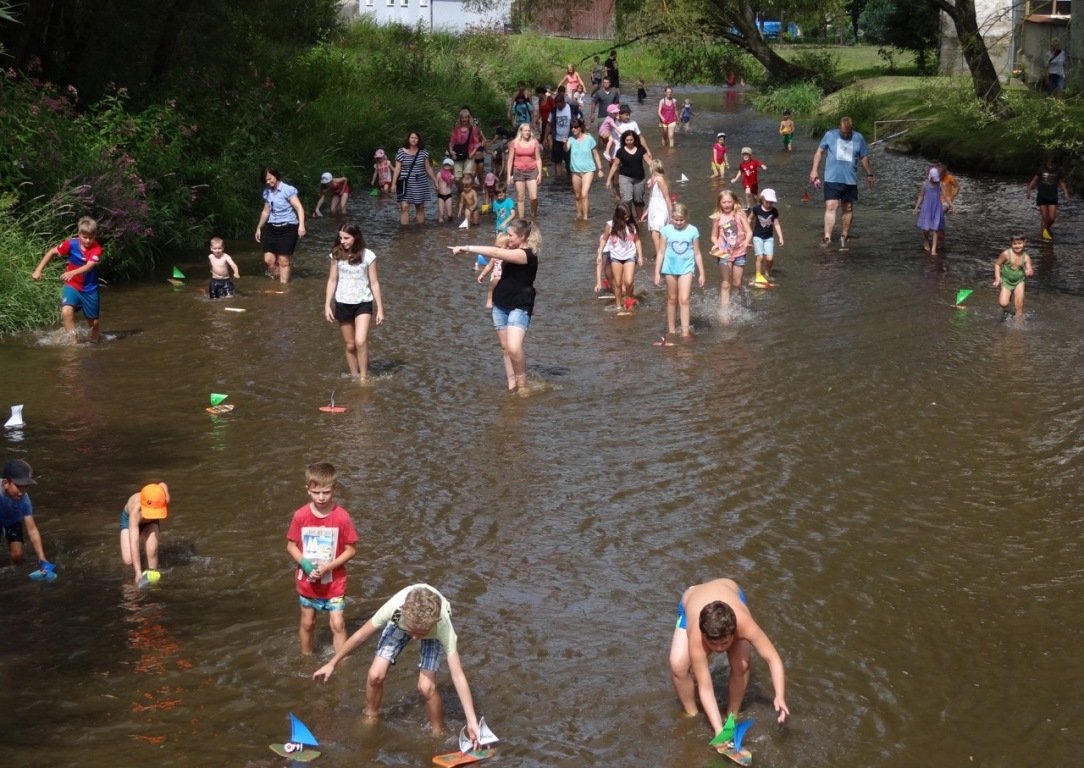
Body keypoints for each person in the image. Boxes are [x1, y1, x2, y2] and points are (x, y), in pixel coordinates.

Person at [312, 584, 482, 743]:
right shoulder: (395, 609)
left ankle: (438, 732)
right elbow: (361, 635)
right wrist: (332, 663)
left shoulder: (443, 626)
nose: (414, 638)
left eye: (419, 633)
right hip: (402, 624)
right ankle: (371, 715)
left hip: (432, 632)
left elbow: (457, 675)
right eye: (412, 632)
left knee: (426, 687)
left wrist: (471, 720)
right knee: (375, 674)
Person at [669, 578, 789, 741]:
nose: (719, 649)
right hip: (691, 601)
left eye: (724, 643)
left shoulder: (744, 625)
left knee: (742, 665)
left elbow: (773, 658)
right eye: (713, 644)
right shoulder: (697, 636)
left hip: (730, 591)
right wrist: (718, 731)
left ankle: (731, 716)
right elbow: (706, 688)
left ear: (734, 632)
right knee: (678, 666)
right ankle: (691, 714)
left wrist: (779, 695)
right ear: (704, 635)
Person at [448, 218, 540, 394]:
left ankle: (522, 384)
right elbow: (495, 255)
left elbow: (494, 252)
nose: (508, 237)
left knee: (514, 347)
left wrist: (466, 248)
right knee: (506, 349)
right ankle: (511, 384)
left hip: (519, 306)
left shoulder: (525, 255)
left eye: (511, 235)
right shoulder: (511, 248)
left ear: (522, 236)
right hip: (500, 305)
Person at [287, 462, 358, 655]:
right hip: (308, 581)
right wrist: (305, 564)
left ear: (334, 489)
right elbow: (291, 545)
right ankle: (306, 657)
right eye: (316, 492)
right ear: (308, 489)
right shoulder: (301, 516)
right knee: (308, 622)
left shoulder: (342, 517)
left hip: (334, 582)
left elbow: (351, 550)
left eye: (326, 492)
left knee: (338, 624)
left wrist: (329, 567)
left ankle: (340, 663)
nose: (321, 497)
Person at [324, 223, 384, 383]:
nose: (343, 241)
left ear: (356, 237)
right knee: (350, 345)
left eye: (346, 238)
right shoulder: (336, 255)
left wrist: (380, 309)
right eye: (341, 238)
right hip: (342, 303)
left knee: (360, 341)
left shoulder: (368, 256)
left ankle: (364, 378)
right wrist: (327, 304)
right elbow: (332, 280)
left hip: (363, 303)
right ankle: (354, 376)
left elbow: (374, 283)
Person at [32, 216, 103, 343]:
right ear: (79, 234)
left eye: (91, 238)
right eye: (85, 237)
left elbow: (88, 266)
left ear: (95, 236)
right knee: (66, 311)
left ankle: (95, 342)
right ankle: (73, 342)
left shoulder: (97, 249)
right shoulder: (71, 244)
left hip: (89, 288)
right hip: (72, 285)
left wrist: (73, 272)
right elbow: (52, 252)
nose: (88, 241)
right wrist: (38, 270)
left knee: (94, 324)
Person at [809, 116, 874, 249]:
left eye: (847, 133)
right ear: (839, 127)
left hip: (850, 179)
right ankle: (827, 237)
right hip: (832, 178)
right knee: (831, 206)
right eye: (843, 132)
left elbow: (863, 157)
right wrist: (814, 170)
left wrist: (869, 173)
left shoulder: (858, 138)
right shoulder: (830, 135)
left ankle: (844, 235)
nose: (845, 135)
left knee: (848, 208)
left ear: (852, 129)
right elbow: (819, 152)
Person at [654, 202, 704, 341]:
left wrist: (702, 273)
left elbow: (697, 253)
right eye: (676, 219)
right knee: (672, 299)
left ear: (686, 218)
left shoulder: (693, 231)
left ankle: (685, 331)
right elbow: (661, 252)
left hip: (686, 268)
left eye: (681, 220)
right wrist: (657, 272)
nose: (678, 222)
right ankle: (671, 330)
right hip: (670, 268)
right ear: (671, 218)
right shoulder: (666, 231)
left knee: (684, 299)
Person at [1, 460, 52, 576]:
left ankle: (14, 575)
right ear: (5, 483)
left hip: (11, 522)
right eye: (19, 487)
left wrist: (42, 558)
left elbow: (32, 531)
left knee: (17, 555)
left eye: (26, 487)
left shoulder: (24, 500)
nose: (22, 492)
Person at [255, 167, 306, 284]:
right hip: (272, 227)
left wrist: (301, 225)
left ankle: (283, 287)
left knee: (283, 260)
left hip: (288, 227)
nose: (268, 182)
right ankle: (279, 278)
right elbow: (265, 211)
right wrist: (259, 227)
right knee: (268, 259)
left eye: (270, 179)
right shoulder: (267, 192)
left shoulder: (287, 190)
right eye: (266, 180)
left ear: (276, 175)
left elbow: (299, 207)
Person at [710, 189, 752, 320]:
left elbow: (749, 232)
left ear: (734, 201)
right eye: (724, 202)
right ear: (719, 203)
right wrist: (716, 244)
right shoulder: (717, 217)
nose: (727, 204)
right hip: (724, 252)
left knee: (737, 283)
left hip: (739, 251)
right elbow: (713, 236)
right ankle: (724, 312)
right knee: (725, 283)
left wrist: (746, 242)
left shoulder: (740, 215)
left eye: (729, 202)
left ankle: (739, 303)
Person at [595, 204, 643, 315]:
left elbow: (637, 241)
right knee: (617, 283)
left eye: (628, 216)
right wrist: (599, 254)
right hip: (616, 257)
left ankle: (629, 299)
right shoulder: (610, 225)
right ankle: (618, 305)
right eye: (625, 217)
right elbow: (603, 240)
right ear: (619, 216)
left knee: (629, 281)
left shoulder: (631, 225)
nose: (627, 218)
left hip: (630, 256)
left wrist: (640, 256)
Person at [120, 482, 169, 586]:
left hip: (150, 523)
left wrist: (164, 489)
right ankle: (140, 562)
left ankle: (153, 578)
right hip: (129, 520)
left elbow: (162, 485)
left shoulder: (162, 498)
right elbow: (134, 542)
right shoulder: (136, 511)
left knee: (152, 548)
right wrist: (137, 571)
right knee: (129, 560)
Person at [392, 130, 438, 226]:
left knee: (420, 207)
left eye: (416, 138)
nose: (414, 139)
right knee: (404, 207)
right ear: (408, 139)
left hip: (420, 181)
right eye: (412, 137)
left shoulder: (423, 153)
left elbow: (428, 168)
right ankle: (404, 232)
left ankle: (420, 231)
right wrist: (393, 183)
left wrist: (435, 181)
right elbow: (397, 168)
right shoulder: (401, 152)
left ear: (418, 140)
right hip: (403, 182)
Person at [607, 130, 650, 220]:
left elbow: (649, 162)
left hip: (639, 178)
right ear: (624, 140)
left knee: (638, 200)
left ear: (634, 139)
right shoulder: (621, 151)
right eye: (627, 140)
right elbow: (615, 165)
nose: (629, 142)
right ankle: (629, 219)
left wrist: (656, 174)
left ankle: (639, 219)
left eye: (631, 140)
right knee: (627, 199)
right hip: (625, 177)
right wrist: (609, 179)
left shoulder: (641, 149)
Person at [1026, 155, 1070, 240]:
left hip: (1053, 196)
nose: (1050, 166)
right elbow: (1034, 180)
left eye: (1052, 165)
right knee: (1045, 217)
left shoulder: (1059, 171)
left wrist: (1066, 193)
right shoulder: (1041, 169)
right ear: (1046, 163)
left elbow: (1061, 183)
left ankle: (1045, 229)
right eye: (1049, 164)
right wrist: (1029, 190)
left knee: (1052, 218)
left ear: (1056, 165)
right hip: (1042, 196)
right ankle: (1044, 235)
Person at [567, 118, 604, 220]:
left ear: (580, 128)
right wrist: (563, 143)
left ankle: (585, 217)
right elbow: (566, 149)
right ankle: (579, 214)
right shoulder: (571, 139)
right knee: (577, 195)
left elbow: (595, 154)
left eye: (575, 127)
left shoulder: (589, 138)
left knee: (584, 194)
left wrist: (600, 169)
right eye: (571, 128)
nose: (573, 129)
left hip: (588, 170)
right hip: (575, 171)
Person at [506, 122, 543, 219]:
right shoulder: (514, 143)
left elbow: (538, 159)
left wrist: (540, 173)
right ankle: (521, 219)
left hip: (532, 170)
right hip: (518, 171)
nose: (527, 132)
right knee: (520, 197)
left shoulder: (534, 142)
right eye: (525, 130)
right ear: (521, 131)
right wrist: (509, 176)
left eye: (529, 130)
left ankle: (533, 215)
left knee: (533, 196)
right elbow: (510, 160)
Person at [993, 234, 1034, 321]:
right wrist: (997, 277)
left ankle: (1018, 325)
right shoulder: (1006, 254)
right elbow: (997, 264)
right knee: (1003, 303)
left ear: (1024, 243)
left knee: (1019, 305)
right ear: (1011, 244)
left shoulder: (1026, 257)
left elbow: (1030, 270)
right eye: (1015, 244)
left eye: (1020, 243)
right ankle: (1007, 310)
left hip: (1019, 281)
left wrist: (1029, 273)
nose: (1017, 246)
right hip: (1006, 281)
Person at [749, 189, 784, 286]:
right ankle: (758, 275)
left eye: (771, 202)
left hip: (769, 237)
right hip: (757, 236)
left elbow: (776, 223)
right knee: (759, 257)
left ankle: (767, 272)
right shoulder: (756, 209)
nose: (769, 204)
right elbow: (750, 218)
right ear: (762, 200)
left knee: (769, 258)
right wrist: (747, 230)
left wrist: (780, 237)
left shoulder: (774, 211)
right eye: (767, 202)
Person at [642, 158, 672, 262]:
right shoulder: (655, 180)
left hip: (660, 210)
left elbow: (667, 198)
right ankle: (662, 255)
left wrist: (671, 215)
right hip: (654, 209)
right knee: (655, 234)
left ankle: (661, 259)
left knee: (655, 234)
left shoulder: (660, 180)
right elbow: (652, 198)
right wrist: (647, 212)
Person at [913, 167, 946, 256]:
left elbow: (945, 195)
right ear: (930, 177)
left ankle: (933, 249)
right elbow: (921, 196)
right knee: (926, 228)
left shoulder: (940, 184)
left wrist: (951, 205)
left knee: (936, 228)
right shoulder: (925, 185)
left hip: (936, 208)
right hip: (927, 208)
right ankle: (926, 240)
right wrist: (916, 208)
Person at [448, 108, 485, 182]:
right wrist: (451, 151)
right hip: (457, 154)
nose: (464, 119)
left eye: (466, 117)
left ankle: (466, 191)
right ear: (460, 118)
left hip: (469, 155)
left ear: (468, 118)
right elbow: (452, 141)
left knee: (467, 175)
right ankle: (461, 192)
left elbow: (476, 143)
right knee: (457, 179)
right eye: (462, 117)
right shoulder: (456, 129)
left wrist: (472, 153)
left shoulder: (472, 129)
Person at [549, 92, 573, 179]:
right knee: (557, 161)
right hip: (557, 139)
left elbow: (579, 122)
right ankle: (558, 179)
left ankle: (569, 177)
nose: (558, 106)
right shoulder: (554, 111)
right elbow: (549, 124)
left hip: (569, 139)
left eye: (560, 103)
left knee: (569, 160)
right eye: (557, 103)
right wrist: (545, 138)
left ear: (564, 102)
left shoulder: (571, 108)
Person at [435, 158, 457, 224]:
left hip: (448, 195)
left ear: (451, 167)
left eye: (448, 165)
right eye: (445, 165)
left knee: (449, 215)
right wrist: (436, 186)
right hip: (440, 196)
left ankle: (451, 224)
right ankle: (441, 229)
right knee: (441, 214)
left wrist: (452, 179)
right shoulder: (439, 174)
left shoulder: (452, 176)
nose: (446, 166)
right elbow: (436, 182)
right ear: (443, 165)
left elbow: (451, 185)